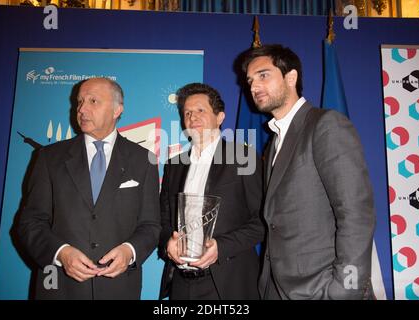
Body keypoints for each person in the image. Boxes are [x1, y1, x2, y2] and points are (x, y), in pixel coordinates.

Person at [242, 44, 376, 300]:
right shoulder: (274, 143)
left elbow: (356, 213)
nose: (254, 86)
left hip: (322, 289)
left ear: (291, 78)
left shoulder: (325, 125)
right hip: (277, 289)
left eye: (263, 75)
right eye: (250, 80)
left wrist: (345, 289)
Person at [17, 77, 161, 299]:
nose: (82, 109)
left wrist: (129, 251)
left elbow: (151, 225)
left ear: (117, 110)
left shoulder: (144, 160)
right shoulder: (48, 158)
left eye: (93, 101)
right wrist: (61, 253)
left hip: (119, 289)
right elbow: (30, 222)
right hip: (58, 287)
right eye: (79, 101)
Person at [158, 83, 264, 300]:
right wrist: (168, 242)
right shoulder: (174, 165)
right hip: (181, 284)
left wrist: (221, 247)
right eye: (187, 113)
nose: (192, 117)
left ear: (220, 117)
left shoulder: (244, 158)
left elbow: (263, 221)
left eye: (200, 111)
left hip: (228, 284)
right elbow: (162, 220)